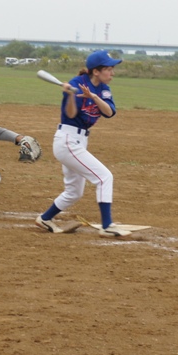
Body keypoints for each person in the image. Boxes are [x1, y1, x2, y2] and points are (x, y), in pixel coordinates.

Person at [35, 50, 130, 237]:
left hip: (79, 141)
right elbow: (70, 115)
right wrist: (70, 95)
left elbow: (109, 112)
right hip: (68, 140)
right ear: (96, 71)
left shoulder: (103, 89)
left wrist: (93, 97)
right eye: (109, 69)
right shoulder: (76, 84)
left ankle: (45, 218)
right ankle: (107, 225)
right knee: (104, 177)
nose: (112, 73)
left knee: (74, 192)